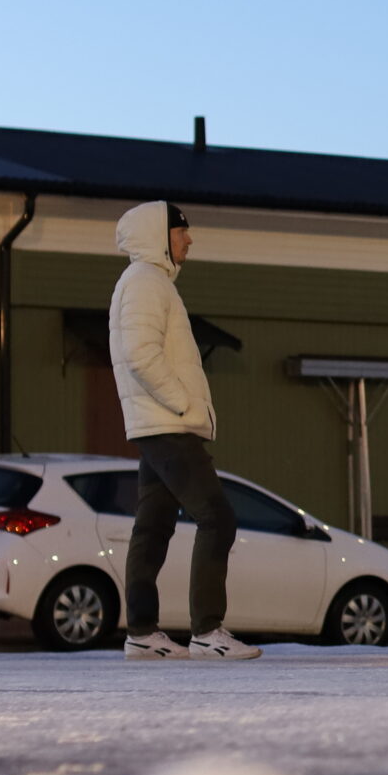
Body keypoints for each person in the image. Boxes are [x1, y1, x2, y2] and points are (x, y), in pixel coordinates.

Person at [109, 200, 258, 661]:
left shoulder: (147, 283)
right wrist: (183, 403)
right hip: (167, 424)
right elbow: (140, 354)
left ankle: (142, 632)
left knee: (152, 527)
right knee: (217, 517)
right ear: (160, 235)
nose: (189, 239)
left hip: (156, 425)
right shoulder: (147, 282)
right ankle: (208, 631)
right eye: (181, 232)